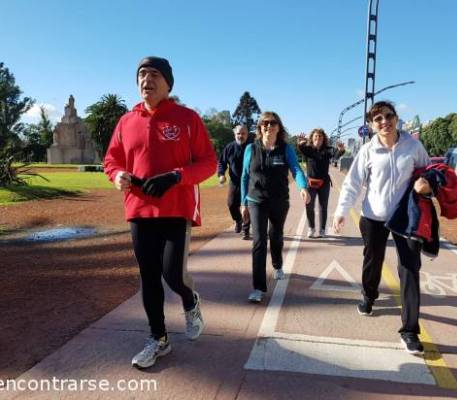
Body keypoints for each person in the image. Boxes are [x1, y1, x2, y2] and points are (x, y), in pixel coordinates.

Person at [104, 56, 217, 368]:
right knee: (149, 277)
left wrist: (176, 176)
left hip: (177, 208)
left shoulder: (187, 118)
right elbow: (111, 159)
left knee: (172, 274)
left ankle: (190, 299)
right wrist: (117, 175)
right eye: (141, 75)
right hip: (139, 209)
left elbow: (208, 162)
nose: (146, 80)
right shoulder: (127, 122)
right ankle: (158, 338)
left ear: (168, 83)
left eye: (154, 75)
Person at [333, 100, 431, 355]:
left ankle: (409, 330)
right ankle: (368, 295)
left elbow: (430, 171)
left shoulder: (413, 146)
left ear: (397, 118)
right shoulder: (367, 150)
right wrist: (341, 211)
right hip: (373, 217)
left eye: (388, 116)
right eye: (378, 119)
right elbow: (353, 183)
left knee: (410, 269)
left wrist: (427, 183)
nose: (384, 121)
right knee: (372, 259)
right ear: (371, 125)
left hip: (405, 217)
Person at [241, 112, 310, 303]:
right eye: (265, 123)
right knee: (259, 241)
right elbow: (245, 176)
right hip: (256, 200)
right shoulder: (251, 149)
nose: (268, 126)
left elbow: (296, 168)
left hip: (279, 200)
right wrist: (242, 202)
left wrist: (303, 187)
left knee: (276, 235)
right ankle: (258, 288)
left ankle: (277, 264)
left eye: (272, 123)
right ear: (260, 127)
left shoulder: (285, 149)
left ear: (278, 127)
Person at [297, 128, 343, 238]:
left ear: (323, 139)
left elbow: (335, 156)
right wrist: (300, 143)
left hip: (324, 183)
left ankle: (322, 230)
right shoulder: (308, 149)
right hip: (310, 183)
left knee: (323, 207)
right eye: (316, 136)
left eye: (320, 136)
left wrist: (340, 150)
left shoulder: (327, 150)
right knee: (309, 206)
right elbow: (301, 148)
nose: (318, 138)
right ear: (312, 138)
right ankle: (311, 228)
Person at [217, 125, 253, 239]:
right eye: (238, 133)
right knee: (231, 204)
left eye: (243, 133)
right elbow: (222, 162)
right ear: (235, 134)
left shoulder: (253, 147)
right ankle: (238, 220)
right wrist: (221, 174)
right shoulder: (229, 147)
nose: (240, 136)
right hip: (235, 181)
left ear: (247, 134)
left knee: (246, 204)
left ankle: (245, 230)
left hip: (250, 181)